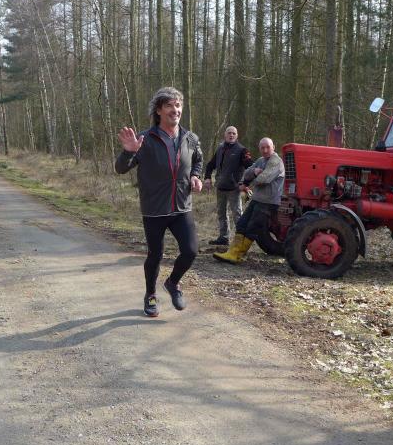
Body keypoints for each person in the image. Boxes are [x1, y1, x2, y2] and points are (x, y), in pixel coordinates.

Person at [115, 87, 204, 317]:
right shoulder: (144, 139)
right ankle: (150, 295)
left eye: (178, 105)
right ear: (158, 110)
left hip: (182, 206)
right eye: (169, 106)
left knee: (191, 250)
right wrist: (128, 152)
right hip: (154, 208)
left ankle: (173, 283)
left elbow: (198, 160)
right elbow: (121, 169)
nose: (175, 110)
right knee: (155, 255)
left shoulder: (190, 138)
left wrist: (196, 176)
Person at [213, 137, 284, 264]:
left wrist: (250, 182)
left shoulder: (276, 161)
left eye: (268, 147)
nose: (265, 150)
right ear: (259, 149)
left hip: (268, 202)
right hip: (257, 199)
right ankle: (232, 252)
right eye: (262, 148)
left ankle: (238, 255)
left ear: (273, 147)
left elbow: (264, 179)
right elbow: (246, 173)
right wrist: (255, 171)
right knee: (241, 224)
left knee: (252, 228)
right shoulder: (261, 160)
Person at [203, 126, 253, 245]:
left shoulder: (242, 150)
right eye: (229, 133)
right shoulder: (220, 148)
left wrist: (245, 184)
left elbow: (251, 167)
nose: (231, 135)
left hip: (234, 189)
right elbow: (210, 165)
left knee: (237, 215)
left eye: (234, 133)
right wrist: (207, 178)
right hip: (220, 187)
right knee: (221, 214)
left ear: (237, 136)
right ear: (225, 135)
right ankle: (224, 238)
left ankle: (241, 241)